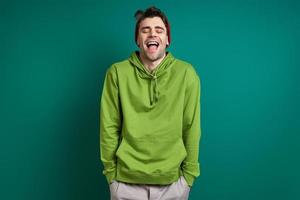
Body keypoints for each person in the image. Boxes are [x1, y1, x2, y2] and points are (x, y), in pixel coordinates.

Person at [100, 6, 201, 200]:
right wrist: (111, 176)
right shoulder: (117, 73)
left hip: (173, 185)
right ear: (138, 39)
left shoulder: (186, 74)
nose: (152, 33)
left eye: (159, 29)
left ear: (167, 39)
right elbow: (109, 127)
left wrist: (188, 178)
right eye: (145, 30)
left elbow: (191, 128)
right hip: (125, 183)